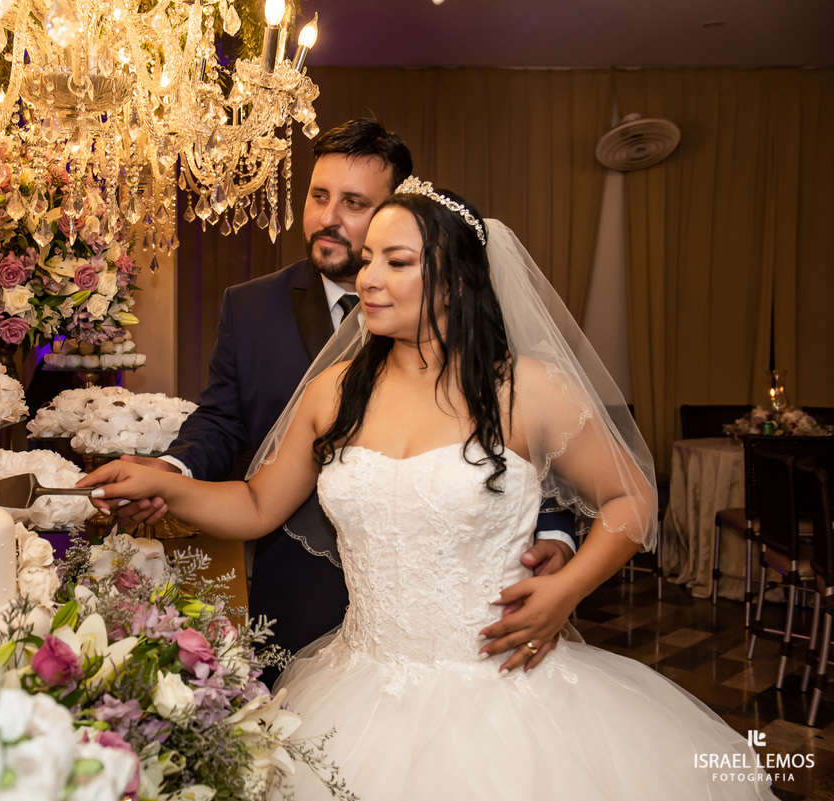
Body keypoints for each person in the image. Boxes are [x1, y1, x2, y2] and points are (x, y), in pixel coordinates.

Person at [80, 181, 771, 799]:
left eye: (396, 261)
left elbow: (634, 497)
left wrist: (567, 589)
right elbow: (258, 504)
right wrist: (161, 484)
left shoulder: (527, 388)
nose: (368, 276)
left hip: (504, 693)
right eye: (369, 257)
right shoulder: (335, 390)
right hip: (355, 686)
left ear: (457, 279)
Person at [116, 120, 575, 678]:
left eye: (355, 203)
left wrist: (560, 555)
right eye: (319, 196)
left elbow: (542, 466)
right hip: (318, 624)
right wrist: (168, 477)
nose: (330, 218)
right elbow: (240, 461)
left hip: (486, 643)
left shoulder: (519, 378)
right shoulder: (285, 341)